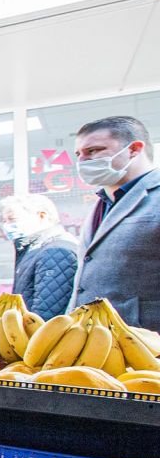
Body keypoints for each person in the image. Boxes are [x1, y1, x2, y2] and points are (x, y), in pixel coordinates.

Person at [72, 115, 160, 329]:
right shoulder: (102, 203)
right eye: (78, 154)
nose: (82, 161)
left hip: (145, 342)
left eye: (94, 151)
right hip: (93, 339)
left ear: (134, 149)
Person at [0, 193, 79, 320]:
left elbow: (47, 315)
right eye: (4, 221)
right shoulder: (35, 248)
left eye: (12, 219)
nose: (7, 225)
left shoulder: (56, 250)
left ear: (42, 216)